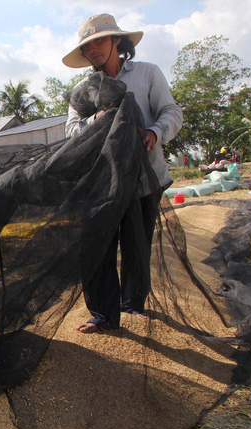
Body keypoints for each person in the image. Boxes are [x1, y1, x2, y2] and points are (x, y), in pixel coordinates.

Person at [62, 14, 183, 333]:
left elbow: (171, 111)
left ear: (117, 41)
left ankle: (131, 304)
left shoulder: (147, 73)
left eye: (99, 41)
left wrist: (155, 132)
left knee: (137, 245)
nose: (94, 50)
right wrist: (96, 120)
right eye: (87, 47)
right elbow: (71, 131)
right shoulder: (83, 91)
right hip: (102, 182)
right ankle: (102, 313)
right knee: (96, 245)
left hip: (145, 178)